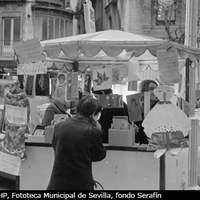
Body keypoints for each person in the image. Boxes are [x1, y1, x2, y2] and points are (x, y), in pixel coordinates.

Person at [46, 95, 106, 190]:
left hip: (57, 183)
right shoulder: (93, 131)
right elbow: (98, 156)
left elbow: (56, 147)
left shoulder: (58, 126)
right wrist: (98, 129)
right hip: (80, 183)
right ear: (93, 114)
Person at [134, 79, 159, 144]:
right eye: (152, 89)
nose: (156, 91)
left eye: (157, 89)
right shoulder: (135, 108)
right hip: (139, 147)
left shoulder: (160, 108)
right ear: (143, 92)